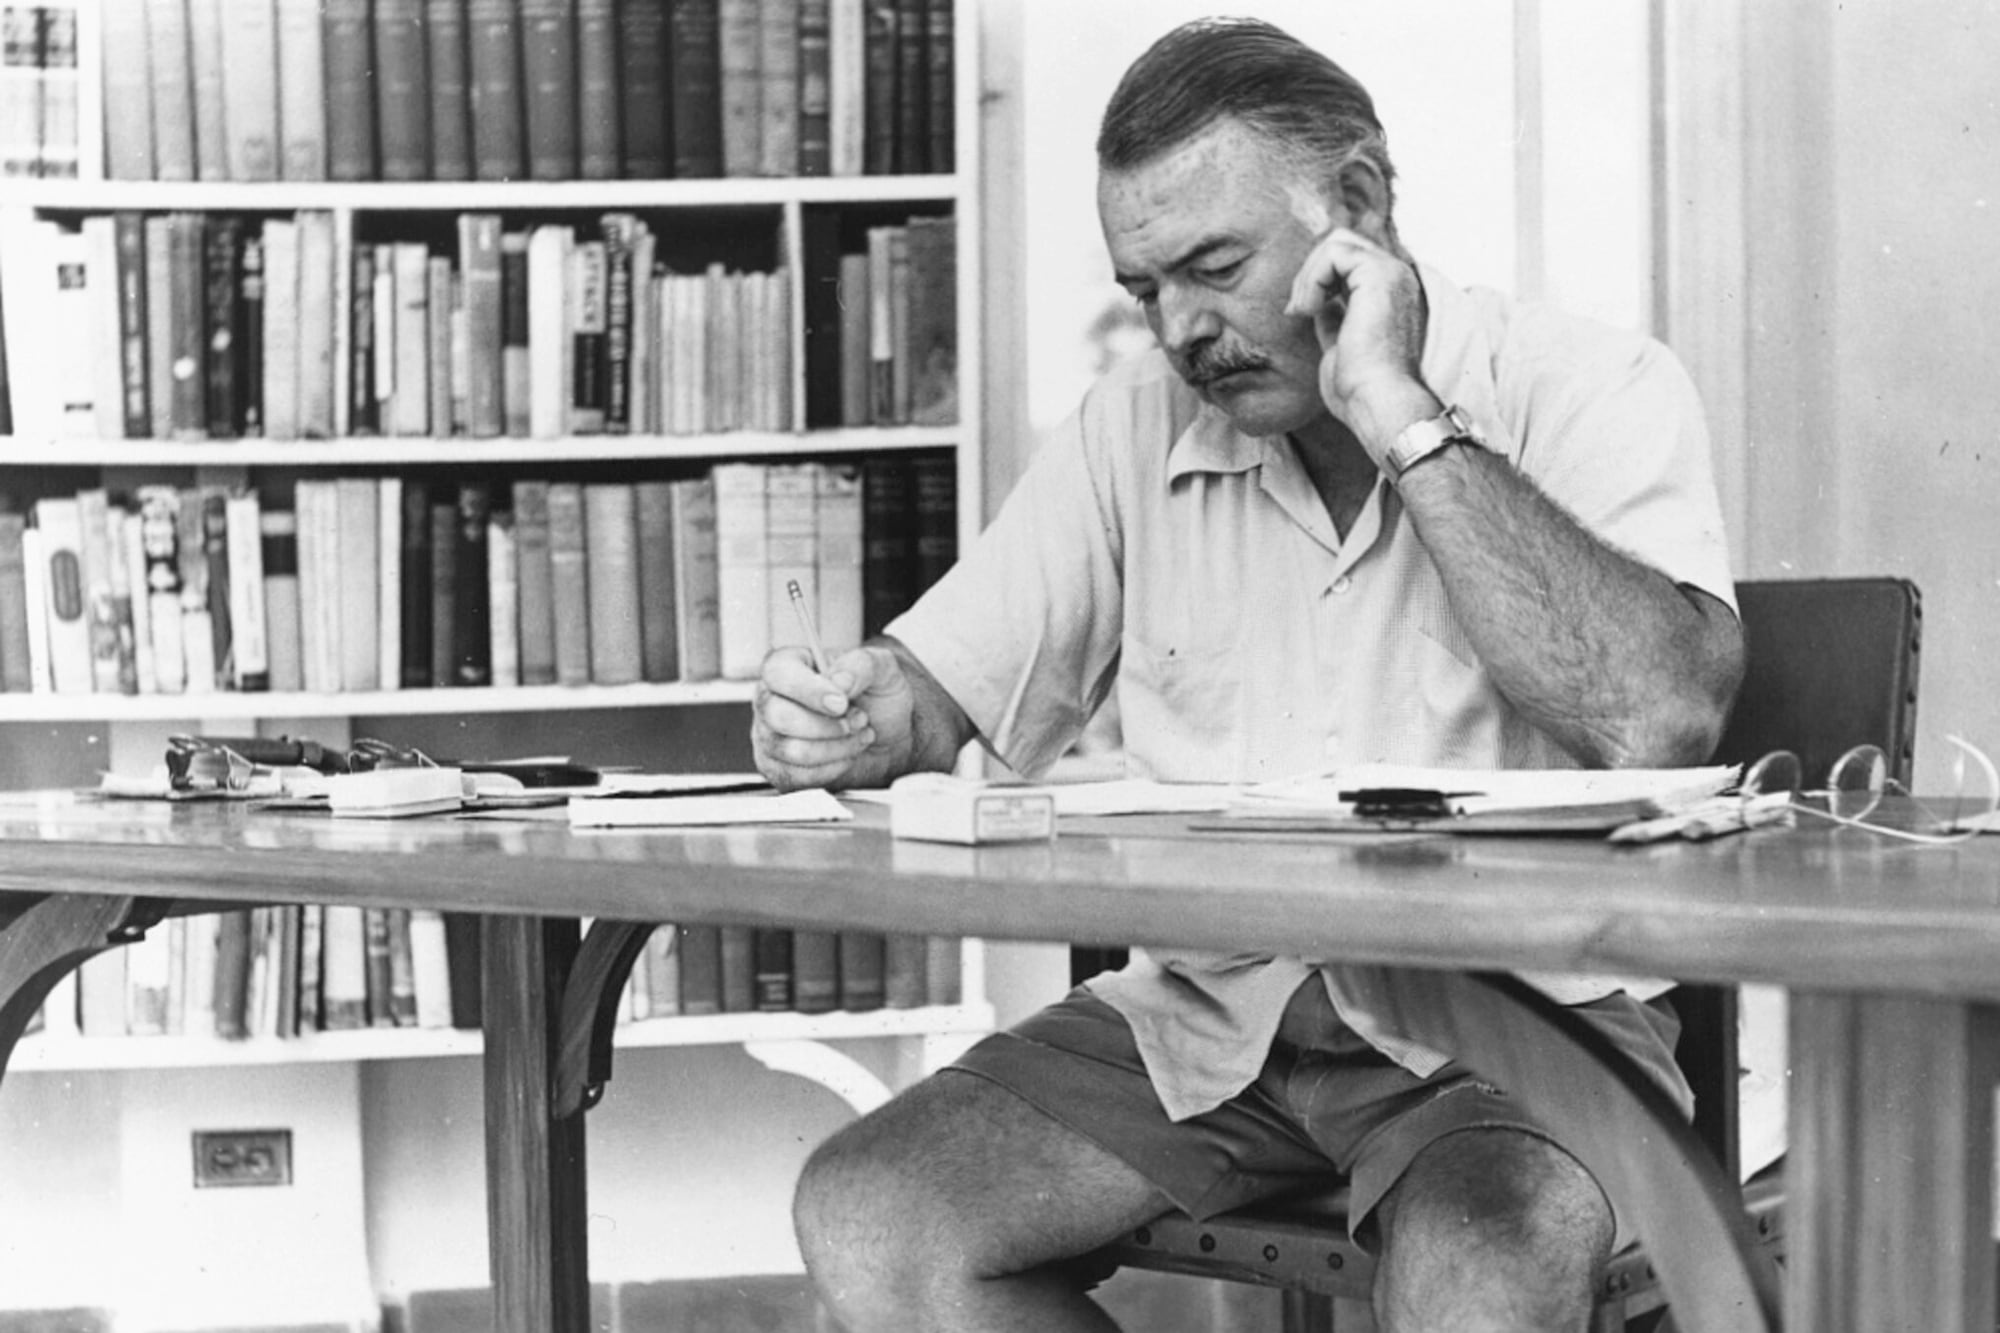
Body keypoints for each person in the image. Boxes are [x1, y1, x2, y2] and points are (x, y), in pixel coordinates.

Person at [751, 17, 1745, 1332]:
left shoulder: (1592, 383)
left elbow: (1657, 716)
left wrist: (1396, 410)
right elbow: (935, 690)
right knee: (875, 1213)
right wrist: (858, 712)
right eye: (1145, 288)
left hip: (1518, 1026)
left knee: (1484, 1268)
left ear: (1361, 206)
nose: (1181, 329)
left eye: (1215, 268)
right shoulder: (1131, 424)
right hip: (1210, 1017)